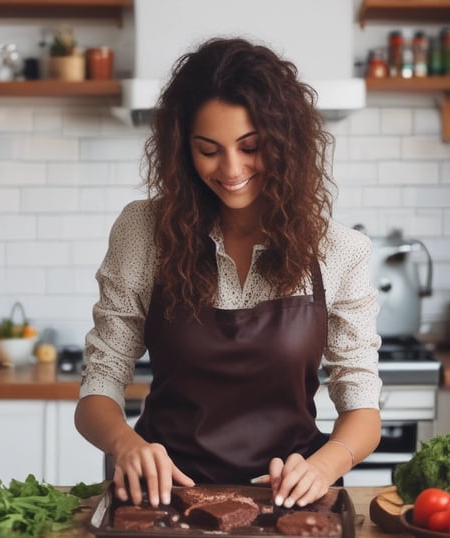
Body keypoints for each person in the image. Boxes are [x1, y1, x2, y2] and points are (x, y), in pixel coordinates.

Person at [75, 37, 382, 511]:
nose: (232, 169)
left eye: (250, 146)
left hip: (288, 502)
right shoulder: (144, 231)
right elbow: (100, 384)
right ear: (183, 150)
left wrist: (323, 466)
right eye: (208, 150)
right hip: (164, 497)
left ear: (284, 145)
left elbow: (362, 406)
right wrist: (125, 444)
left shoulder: (339, 249)